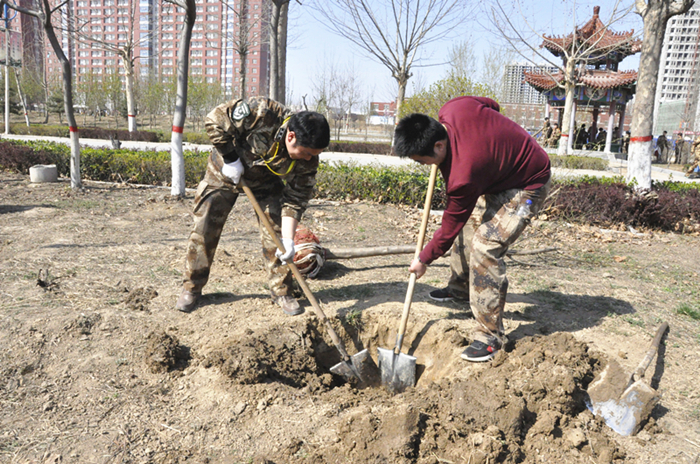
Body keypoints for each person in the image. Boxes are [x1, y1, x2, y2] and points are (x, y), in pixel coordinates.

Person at [393, 97, 551, 362]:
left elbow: (449, 226)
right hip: (498, 175)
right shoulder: (453, 108)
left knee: (485, 247)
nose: (425, 166)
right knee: (469, 226)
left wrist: (423, 259)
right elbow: (492, 105)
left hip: (528, 185)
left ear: (439, 145)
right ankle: (460, 287)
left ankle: (490, 337)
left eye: (423, 160)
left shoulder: (463, 175)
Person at [175, 96, 330, 315]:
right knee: (204, 228)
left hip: (266, 182)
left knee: (275, 235)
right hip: (224, 173)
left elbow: (296, 198)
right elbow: (214, 120)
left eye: (314, 155)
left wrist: (287, 238)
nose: (308, 159)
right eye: (305, 153)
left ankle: (282, 291)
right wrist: (230, 158)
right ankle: (191, 287)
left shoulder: (309, 159)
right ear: (291, 136)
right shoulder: (263, 112)